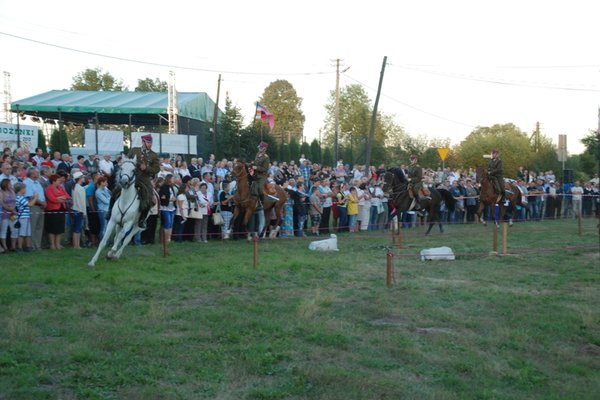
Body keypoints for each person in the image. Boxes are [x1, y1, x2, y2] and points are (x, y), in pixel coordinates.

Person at [108, 134, 159, 229]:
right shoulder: (135, 150)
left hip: (144, 179)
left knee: (149, 199)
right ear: (143, 142)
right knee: (116, 191)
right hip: (131, 177)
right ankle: (109, 212)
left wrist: (146, 168)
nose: (150, 144)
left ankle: (142, 220)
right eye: (148, 142)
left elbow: (156, 169)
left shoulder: (154, 155)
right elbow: (127, 159)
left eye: (151, 143)